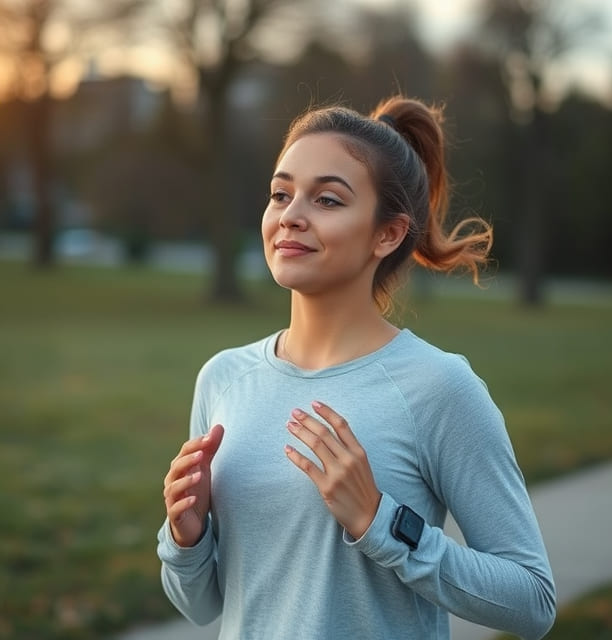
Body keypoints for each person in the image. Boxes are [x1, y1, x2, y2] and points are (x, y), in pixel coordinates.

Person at [158, 95, 556, 640]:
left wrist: (380, 522)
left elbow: (533, 601)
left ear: (387, 234)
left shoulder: (439, 387)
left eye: (326, 199)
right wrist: (187, 536)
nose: (291, 215)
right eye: (280, 193)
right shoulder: (223, 378)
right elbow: (201, 606)